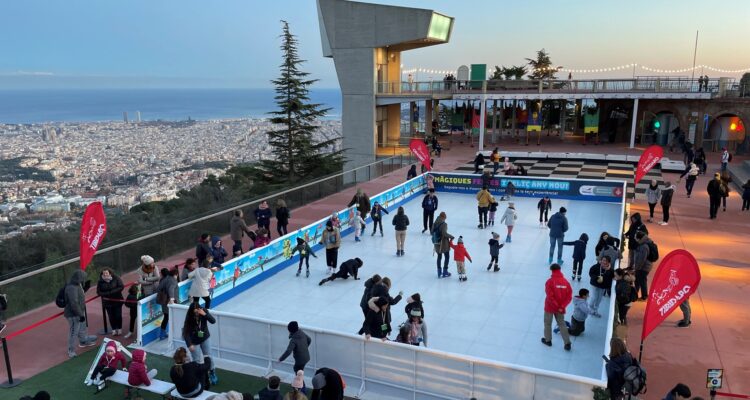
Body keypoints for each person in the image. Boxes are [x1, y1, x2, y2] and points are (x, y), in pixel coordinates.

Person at [183, 302, 218, 385]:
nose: (196, 314)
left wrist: (205, 314)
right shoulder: (189, 317)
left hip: (205, 338)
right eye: (194, 312)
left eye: (197, 311)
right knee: (196, 360)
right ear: (191, 312)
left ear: (200, 309)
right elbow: (185, 332)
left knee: (209, 356)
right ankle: (199, 376)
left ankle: (212, 372)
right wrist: (189, 344)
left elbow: (213, 321)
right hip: (194, 340)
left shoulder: (204, 311)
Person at [64, 270, 97, 358]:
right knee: (74, 332)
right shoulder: (72, 287)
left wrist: (85, 288)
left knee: (81, 327)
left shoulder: (76, 285)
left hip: (78, 312)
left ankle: (84, 340)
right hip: (74, 314)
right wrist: (80, 314)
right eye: (83, 278)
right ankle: (71, 350)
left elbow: (79, 295)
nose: (83, 280)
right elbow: (74, 303)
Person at [541, 263, 572, 351]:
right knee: (562, 324)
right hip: (560, 309)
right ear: (559, 270)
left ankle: (548, 340)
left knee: (548, 323)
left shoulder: (549, 282)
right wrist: (562, 306)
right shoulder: (566, 282)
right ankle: (567, 343)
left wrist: (556, 306)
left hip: (550, 307)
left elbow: (550, 296)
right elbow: (569, 296)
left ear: (552, 270)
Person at [97, 268, 124, 336]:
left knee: (118, 315)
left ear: (110, 273)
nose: (105, 274)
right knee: (111, 316)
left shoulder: (116, 278)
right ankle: (114, 329)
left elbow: (121, 286)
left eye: (106, 273)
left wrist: (112, 292)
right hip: (107, 303)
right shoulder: (100, 281)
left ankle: (119, 328)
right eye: (104, 273)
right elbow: (99, 292)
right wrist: (107, 294)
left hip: (117, 300)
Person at [156, 267, 179, 340]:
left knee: (166, 318)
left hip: (164, 302)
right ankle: (173, 334)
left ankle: (162, 334)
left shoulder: (165, 279)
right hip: (170, 303)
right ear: (176, 274)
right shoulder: (173, 281)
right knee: (171, 318)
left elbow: (159, 288)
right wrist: (172, 299)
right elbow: (171, 289)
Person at [432, 212, 455, 278]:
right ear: (444, 217)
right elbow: (444, 233)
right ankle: (445, 271)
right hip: (443, 243)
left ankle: (439, 272)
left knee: (439, 257)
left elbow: (431, 232)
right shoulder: (444, 224)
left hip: (436, 243)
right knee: (447, 256)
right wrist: (451, 236)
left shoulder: (434, 223)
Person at [633, 231, 654, 300]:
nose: (634, 239)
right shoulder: (645, 243)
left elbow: (642, 259)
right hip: (644, 266)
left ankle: (644, 296)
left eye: (635, 237)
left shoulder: (644, 247)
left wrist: (637, 268)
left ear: (639, 239)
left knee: (642, 281)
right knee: (639, 280)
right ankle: (635, 294)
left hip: (644, 267)